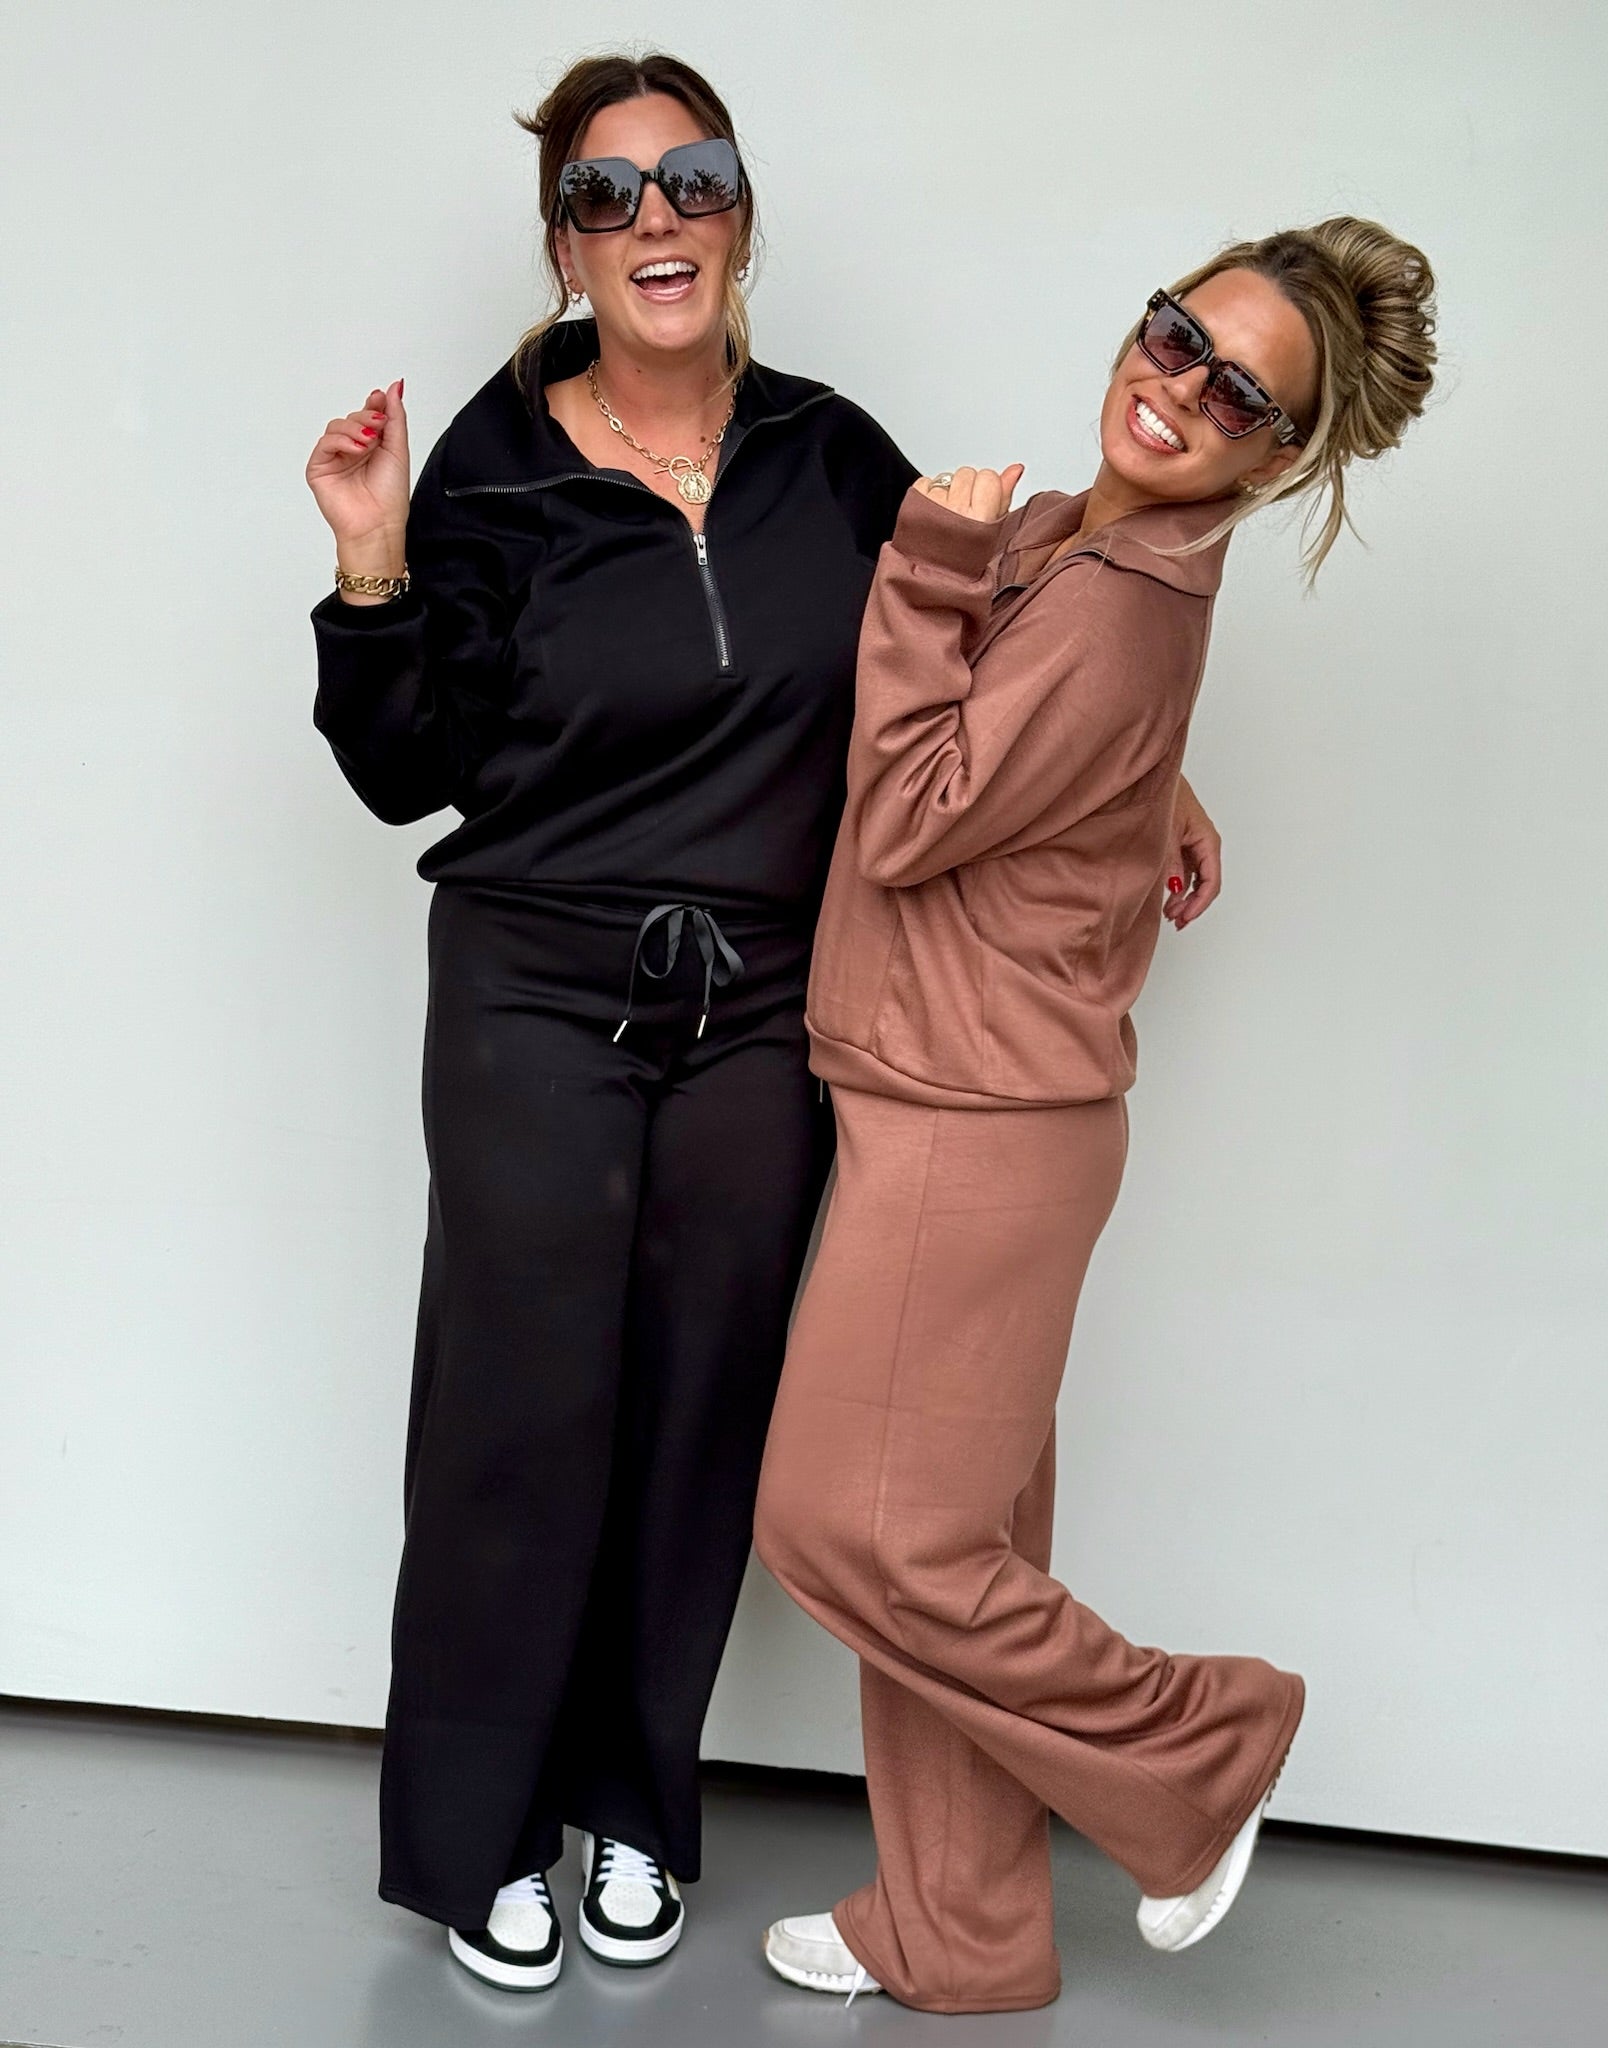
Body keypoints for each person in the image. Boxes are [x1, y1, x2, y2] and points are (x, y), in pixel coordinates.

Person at [303, 47, 1230, 1994]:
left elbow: (987, 652)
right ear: (562, 247)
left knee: (707, 1409)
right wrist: (372, 556)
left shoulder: (828, 451)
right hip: (537, 983)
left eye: (693, 177)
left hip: (764, 999)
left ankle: (638, 1804)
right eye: (607, 193)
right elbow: (403, 771)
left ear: (739, 216)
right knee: (516, 1414)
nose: (656, 217)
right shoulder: (492, 464)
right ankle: (484, 1836)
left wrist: (1151, 780)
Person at [754, 218, 1438, 2015]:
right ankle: (961, 1928)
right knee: (952, 1551)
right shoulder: (1089, 540)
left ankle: (1200, 1748)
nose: (1180, 387)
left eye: (1240, 397)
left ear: (1275, 461)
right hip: (981, 1103)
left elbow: (913, 813)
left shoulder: (1118, 598)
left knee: (850, 1533)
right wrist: (1151, 787)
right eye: (1177, 334)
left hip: (974, 1123)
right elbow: (1049, 725)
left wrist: (926, 561)